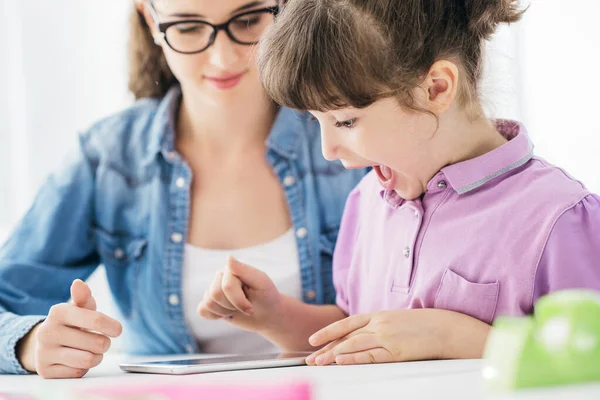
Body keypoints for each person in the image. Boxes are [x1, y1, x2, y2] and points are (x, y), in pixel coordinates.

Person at [198, 0, 600, 366]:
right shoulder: (367, 202)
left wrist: (458, 337)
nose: (327, 149)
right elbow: (360, 332)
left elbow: (588, 359)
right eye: (315, 121)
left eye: (345, 121)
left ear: (435, 88)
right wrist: (275, 315)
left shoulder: (559, 218)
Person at [0, 0, 366, 378]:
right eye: (189, 27)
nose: (223, 58)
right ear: (150, 18)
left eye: (249, 20)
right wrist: (30, 342)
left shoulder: (356, 132)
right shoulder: (108, 158)